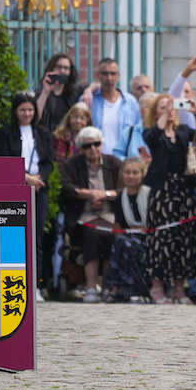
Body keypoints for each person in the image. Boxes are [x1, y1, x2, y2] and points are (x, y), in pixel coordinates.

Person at [142, 93, 196, 303]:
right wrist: (165, 113)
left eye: (171, 106)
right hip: (162, 192)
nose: (169, 110)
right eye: (162, 107)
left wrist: (195, 112)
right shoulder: (152, 132)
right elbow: (153, 136)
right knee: (161, 239)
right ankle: (157, 286)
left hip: (183, 192)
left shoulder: (183, 131)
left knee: (184, 239)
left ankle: (179, 288)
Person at [0, 92, 54, 301]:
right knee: (14, 235)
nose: (27, 113)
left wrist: (39, 179)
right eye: (23, 110)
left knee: (36, 237)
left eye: (30, 110)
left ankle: (36, 284)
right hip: (15, 187)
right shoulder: (5, 133)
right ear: (15, 111)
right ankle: (14, 283)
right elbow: (2, 160)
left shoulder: (43, 133)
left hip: (39, 188)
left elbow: (49, 162)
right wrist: (25, 178)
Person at [59, 127, 121, 303]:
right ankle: (92, 287)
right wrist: (88, 194)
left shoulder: (114, 163)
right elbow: (66, 188)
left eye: (96, 144)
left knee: (112, 234)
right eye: (88, 146)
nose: (93, 149)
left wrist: (104, 195)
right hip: (83, 215)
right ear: (81, 148)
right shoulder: (72, 164)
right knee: (92, 234)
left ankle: (109, 286)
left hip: (109, 214)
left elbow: (123, 190)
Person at [107, 157, 151, 302]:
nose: (131, 176)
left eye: (134, 173)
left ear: (142, 174)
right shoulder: (121, 196)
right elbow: (118, 223)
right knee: (120, 243)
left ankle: (135, 289)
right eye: (127, 172)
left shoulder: (149, 194)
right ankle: (118, 288)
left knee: (126, 245)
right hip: (128, 236)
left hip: (149, 236)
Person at [89, 59, 142, 156]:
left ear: (119, 76)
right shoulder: (89, 100)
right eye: (104, 74)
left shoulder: (131, 102)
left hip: (124, 160)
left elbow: (138, 132)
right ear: (98, 75)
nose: (109, 78)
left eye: (113, 74)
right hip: (96, 159)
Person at [35, 53, 80, 132]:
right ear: (52, 68)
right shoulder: (40, 93)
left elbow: (97, 85)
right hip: (45, 139)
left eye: (66, 68)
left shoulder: (74, 94)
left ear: (70, 72)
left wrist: (89, 91)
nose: (62, 71)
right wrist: (45, 92)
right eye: (58, 67)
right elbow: (35, 118)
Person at [113, 92, 157, 162]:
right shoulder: (129, 132)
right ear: (140, 111)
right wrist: (132, 162)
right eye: (148, 107)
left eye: (155, 107)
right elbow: (117, 155)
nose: (152, 111)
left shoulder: (165, 133)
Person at [51, 102, 91, 171]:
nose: (78, 121)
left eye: (82, 118)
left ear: (87, 121)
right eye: (75, 117)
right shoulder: (59, 137)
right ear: (69, 118)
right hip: (62, 175)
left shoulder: (91, 139)